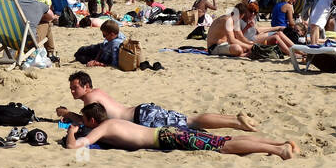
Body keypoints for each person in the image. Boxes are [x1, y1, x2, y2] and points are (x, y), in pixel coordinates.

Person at [66, 102, 297, 159]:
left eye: (86, 122)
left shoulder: (102, 129)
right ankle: (277, 143)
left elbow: (75, 147)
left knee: (222, 146)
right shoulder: (112, 123)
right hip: (166, 132)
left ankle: (280, 151)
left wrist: (73, 131)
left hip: (167, 137)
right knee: (224, 139)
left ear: (93, 121)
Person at [58, 71, 258, 132]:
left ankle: (235, 122)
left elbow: (92, 123)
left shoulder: (90, 99)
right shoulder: (98, 92)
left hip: (142, 119)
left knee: (192, 122)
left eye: (75, 87)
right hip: (143, 111)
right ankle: (233, 118)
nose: (72, 91)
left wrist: (68, 115)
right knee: (190, 119)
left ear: (86, 86)